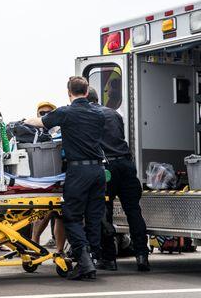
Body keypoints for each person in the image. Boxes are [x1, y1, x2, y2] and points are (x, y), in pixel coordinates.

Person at [24, 76, 106, 280]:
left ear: (69, 93)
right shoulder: (100, 114)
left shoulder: (66, 112)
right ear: (87, 92)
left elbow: (40, 122)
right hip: (98, 171)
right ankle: (92, 258)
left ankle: (85, 263)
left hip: (78, 172)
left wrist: (24, 121)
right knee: (94, 217)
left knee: (71, 216)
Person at [86, 87, 150, 272]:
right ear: (98, 98)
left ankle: (108, 258)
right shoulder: (114, 114)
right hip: (126, 164)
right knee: (134, 211)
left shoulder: (88, 116)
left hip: (107, 168)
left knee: (104, 213)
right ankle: (141, 256)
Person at [30, 101, 66, 255]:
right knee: (43, 214)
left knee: (60, 215)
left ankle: (59, 251)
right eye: (41, 113)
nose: (44, 116)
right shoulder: (32, 133)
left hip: (62, 177)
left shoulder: (61, 131)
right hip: (43, 180)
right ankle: (33, 243)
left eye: (48, 113)